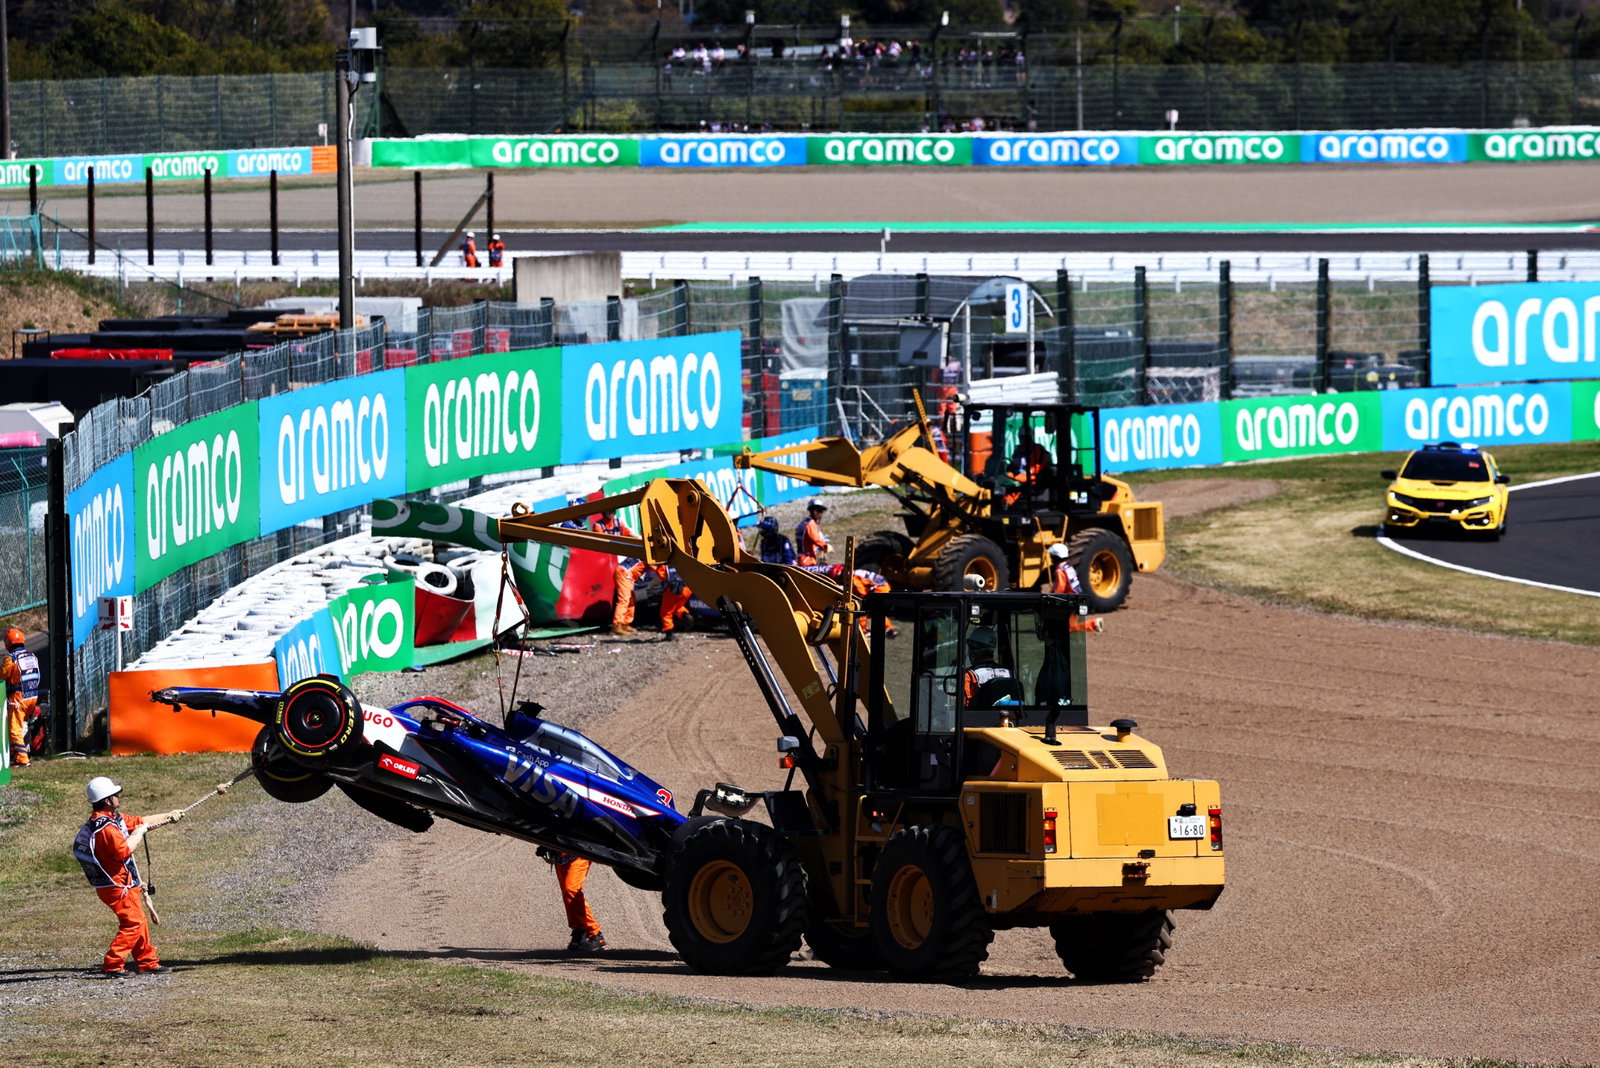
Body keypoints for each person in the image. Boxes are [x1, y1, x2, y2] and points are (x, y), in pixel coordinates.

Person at [73, 777, 186, 977]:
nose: (118, 797)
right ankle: (113, 964)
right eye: (115, 795)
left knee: (138, 921)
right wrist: (138, 835)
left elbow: (140, 822)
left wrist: (167, 816)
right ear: (107, 800)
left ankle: (147, 962)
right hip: (116, 886)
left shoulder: (112, 818)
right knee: (133, 923)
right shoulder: (107, 828)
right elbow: (123, 851)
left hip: (124, 883)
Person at [538, 846, 606, 954]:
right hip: (560, 853)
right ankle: (587, 933)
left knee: (571, 890)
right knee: (568, 893)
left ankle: (590, 933)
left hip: (580, 850)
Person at [962, 626, 1017, 720]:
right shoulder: (1009, 673)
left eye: (971, 647)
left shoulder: (970, 675)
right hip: (1010, 720)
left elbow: (964, 707)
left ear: (974, 649)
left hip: (979, 721)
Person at [3, 627, 40, 768]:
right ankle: (17, 753)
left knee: (14, 729)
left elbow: (4, 674)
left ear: (7, 643)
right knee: (22, 725)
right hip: (32, 695)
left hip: (18, 698)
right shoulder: (32, 656)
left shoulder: (11, 658)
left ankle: (22, 759)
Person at [794, 499, 831, 566]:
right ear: (811, 511)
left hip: (801, 558)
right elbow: (816, 540)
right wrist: (826, 547)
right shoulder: (811, 524)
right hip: (808, 559)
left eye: (821, 511)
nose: (819, 513)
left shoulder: (803, 523)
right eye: (817, 510)